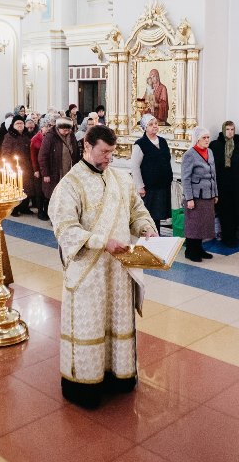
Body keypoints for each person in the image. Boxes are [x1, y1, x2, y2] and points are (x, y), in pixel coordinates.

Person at [48, 125, 157, 409]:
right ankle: (85, 387)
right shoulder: (70, 184)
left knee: (117, 321)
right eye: (104, 152)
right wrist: (101, 242)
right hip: (89, 272)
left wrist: (146, 228)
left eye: (112, 151)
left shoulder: (121, 179)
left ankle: (118, 377)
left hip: (119, 270)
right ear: (87, 145)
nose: (109, 157)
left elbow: (136, 210)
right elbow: (65, 229)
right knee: (91, 325)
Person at [209, 120, 239, 247]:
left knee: (236, 212)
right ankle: (226, 237)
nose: (230, 132)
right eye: (228, 129)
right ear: (223, 130)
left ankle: (233, 237)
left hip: (238, 186)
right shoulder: (216, 145)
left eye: (232, 129)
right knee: (225, 212)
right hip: (222, 186)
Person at [180, 127, 218, 262]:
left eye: (208, 137)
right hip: (195, 196)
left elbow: (214, 175)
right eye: (204, 138)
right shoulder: (190, 154)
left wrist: (215, 193)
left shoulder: (210, 152)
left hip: (208, 195)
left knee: (203, 224)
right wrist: (189, 198)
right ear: (197, 139)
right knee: (193, 224)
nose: (207, 140)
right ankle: (190, 251)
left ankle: (199, 248)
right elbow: (185, 178)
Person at [131, 114, 173, 230]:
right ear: (145, 127)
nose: (154, 126)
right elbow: (135, 166)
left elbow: (167, 160)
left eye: (155, 123)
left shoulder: (163, 141)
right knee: (150, 217)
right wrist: (140, 186)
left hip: (163, 186)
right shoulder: (140, 144)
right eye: (151, 124)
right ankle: (151, 241)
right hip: (149, 188)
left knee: (158, 216)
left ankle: (157, 239)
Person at [38, 116, 79, 216]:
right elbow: (42, 156)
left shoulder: (71, 135)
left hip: (69, 170)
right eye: (64, 130)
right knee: (53, 195)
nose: (66, 132)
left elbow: (76, 152)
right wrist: (46, 174)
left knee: (67, 194)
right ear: (58, 128)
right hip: (55, 171)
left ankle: (65, 215)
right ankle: (53, 215)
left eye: (68, 130)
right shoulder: (50, 137)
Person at [1, 116, 34, 216]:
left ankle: (24, 207)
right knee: (16, 188)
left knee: (26, 188)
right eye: (17, 123)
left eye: (21, 123)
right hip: (14, 167)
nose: (20, 125)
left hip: (26, 166)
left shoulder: (26, 136)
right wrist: (9, 165)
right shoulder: (9, 136)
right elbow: (5, 152)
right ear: (13, 125)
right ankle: (15, 209)